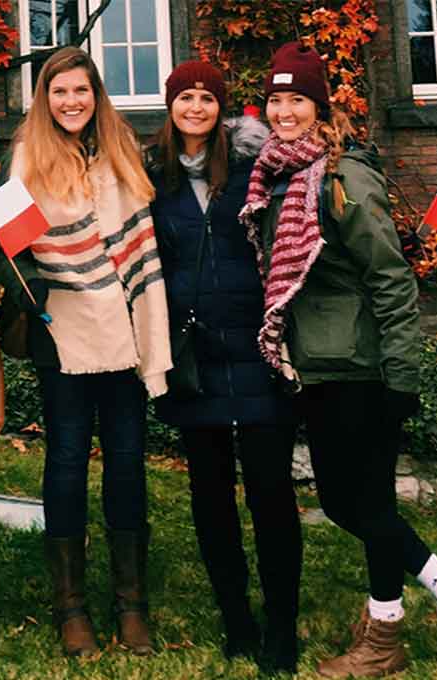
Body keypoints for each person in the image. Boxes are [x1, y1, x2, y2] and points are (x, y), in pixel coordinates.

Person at [240, 41, 437, 678]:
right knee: (363, 503)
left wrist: (402, 377)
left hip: (358, 367)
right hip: (322, 362)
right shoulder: (283, 171)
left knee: (356, 504)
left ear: (319, 105)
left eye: (297, 100)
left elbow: (391, 279)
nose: (284, 112)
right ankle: (419, 623)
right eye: (276, 100)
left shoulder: (342, 175)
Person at [4, 46, 172, 657]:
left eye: (81, 91)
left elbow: (146, 234)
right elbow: (9, 248)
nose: (71, 101)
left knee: (127, 461)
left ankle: (132, 604)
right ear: (44, 100)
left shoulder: (123, 150)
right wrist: (25, 279)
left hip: (127, 327)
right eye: (59, 92)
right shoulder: (26, 159)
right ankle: (70, 606)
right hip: (63, 329)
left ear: (95, 96)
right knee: (68, 462)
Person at [147, 60, 301, 674]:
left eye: (207, 98)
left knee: (270, 491)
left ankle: (282, 624)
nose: (196, 108)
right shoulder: (150, 175)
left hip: (259, 349)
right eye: (185, 97)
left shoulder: (256, 168)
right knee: (209, 493)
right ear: (171, 107)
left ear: (222, 108)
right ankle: (236, 614)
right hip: (196, 356)